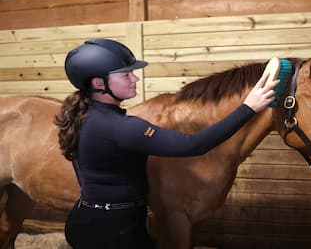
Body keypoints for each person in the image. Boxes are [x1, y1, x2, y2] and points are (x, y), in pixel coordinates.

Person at [55, 38, 278, 249]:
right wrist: (249, 107)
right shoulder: (121, 127)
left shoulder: (84, 115)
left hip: (92, 219)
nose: (135, 78)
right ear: (98, 83)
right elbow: (194, 145)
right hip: (113, 232)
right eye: (126, 75)